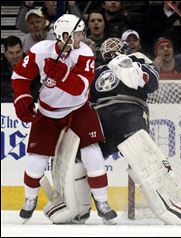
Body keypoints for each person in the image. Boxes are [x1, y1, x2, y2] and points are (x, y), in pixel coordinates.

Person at [11, 14, 117, 223]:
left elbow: (80, 89)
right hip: (48, 112)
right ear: (64, 35)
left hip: (78, 110)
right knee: (35, 162)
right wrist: (22, 99)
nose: (81, 37)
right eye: (77, 33)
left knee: (92, 156)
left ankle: (102, 203)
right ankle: (29, 200)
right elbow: (20, 77)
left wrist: (63, 76)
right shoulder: (40, 50)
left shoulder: (85, 53)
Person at [91, 37, 159, 159]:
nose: (110, 48)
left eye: (114, 45)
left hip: (129, 111)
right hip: (100, 117)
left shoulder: (137, 58)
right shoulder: (98, 70)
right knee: (88, 158)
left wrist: (128, 66)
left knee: (140, 158)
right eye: (107, 47)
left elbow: (152, 83)